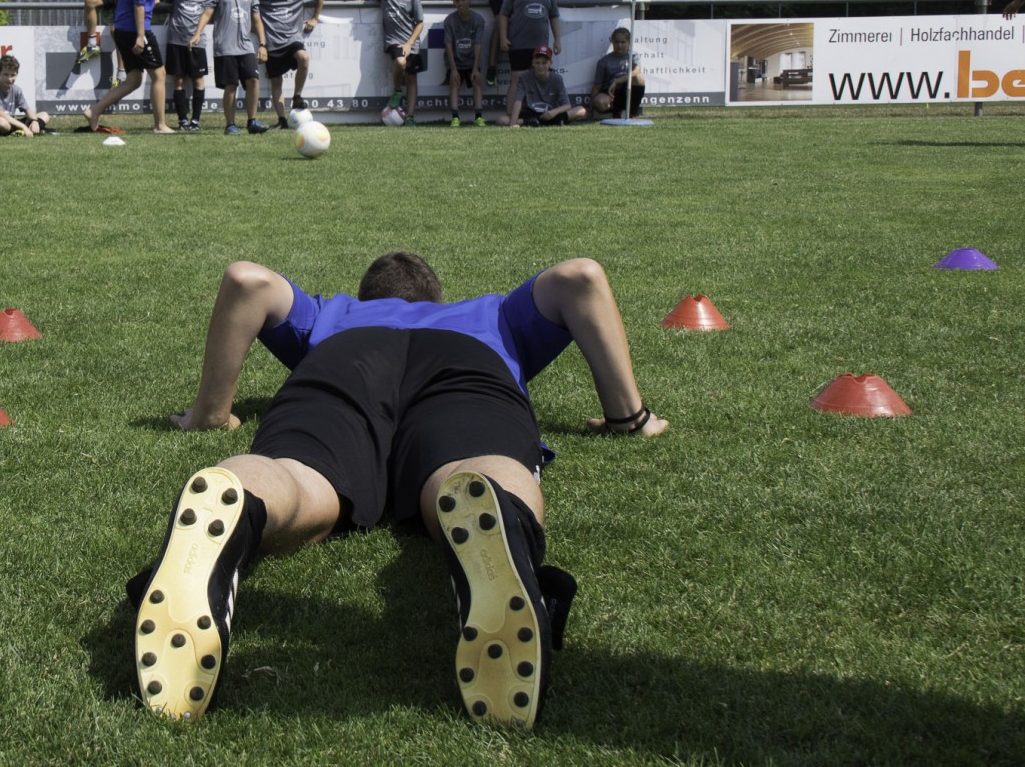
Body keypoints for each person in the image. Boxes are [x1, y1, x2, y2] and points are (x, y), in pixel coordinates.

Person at [137, 253, 664, 728]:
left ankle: (245, 505)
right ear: (435, 296)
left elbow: (246, 279)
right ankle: (501, 514)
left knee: (298, 474)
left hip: (345, 359)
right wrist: (629, 418)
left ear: (368, 295)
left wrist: (210, 414)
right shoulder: (491, 314)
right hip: (467, 360)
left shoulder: (334, 313)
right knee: (470, 470)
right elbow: (579, 276)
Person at [85, 0, 173, 134]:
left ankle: (94, 111)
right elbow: (138, 4)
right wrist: (141, 36)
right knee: (159, 74)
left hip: (123, 29)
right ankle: (160, 125)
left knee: (134, 79)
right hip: (134, 30)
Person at [191, 0, 270, 135]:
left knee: (253, 80)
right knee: (231, 85)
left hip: (246, 47)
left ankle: (252, 121)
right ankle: (230, 125)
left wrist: (262, 44)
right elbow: (207, 13)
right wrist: (197, 33)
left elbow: (257, 21)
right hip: (225, 48)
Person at [256, 0, 327, 128]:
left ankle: (297, 96)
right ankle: (282, 120)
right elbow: (249, 6)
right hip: (272, 43)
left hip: (292, 40)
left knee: (304, 57)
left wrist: (315, 18)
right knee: (276, 82)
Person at [497, 0, 562, 117]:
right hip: (518, 42)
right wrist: (503, 37)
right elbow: (503, 14)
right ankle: (511, 115)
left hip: (540, 44)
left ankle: (541, 113)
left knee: (541, 77)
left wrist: (557, 40)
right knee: (517, 78)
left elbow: (554, 15)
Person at [164, 0, 213, 131]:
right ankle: (183, 120)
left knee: (198, 80)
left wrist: (197, 34)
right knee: (178, 81)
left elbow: (210, 12)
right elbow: (166, 5)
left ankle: (195, 121)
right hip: (176, 40)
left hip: (197, 43)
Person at [376, 0, 426, 124]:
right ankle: (397, 91)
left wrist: (409, 44)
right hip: (393, 41)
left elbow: (420, 23)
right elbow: (375, 4)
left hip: (410, 43)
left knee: (411, 79)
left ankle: (410, 117)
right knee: (400, 61)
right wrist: (357, 0)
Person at [497, 45, 585, 127]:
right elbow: (518, 101)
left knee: (581, 110)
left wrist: (553, 112)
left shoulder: (557, 79)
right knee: (501, 120)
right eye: (537, 62)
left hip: (551, 113)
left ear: (550, 63)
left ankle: (531, 122)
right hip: (530, 113)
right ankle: (541, 121)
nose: (540, 66)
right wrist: (513, 124)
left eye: (544, 63)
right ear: (533, 63)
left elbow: (567, 105)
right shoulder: (524, 77)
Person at [442, 0, 487, 126]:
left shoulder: (478, 20)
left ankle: (478, 116)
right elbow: (448, 45)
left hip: (472, 60)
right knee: (454, 82)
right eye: (457, 0)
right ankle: (455, 117)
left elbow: (478, 44)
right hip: (455, 61)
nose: (460, 3)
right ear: (453, 2)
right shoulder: (449, 20)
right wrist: (453, 69)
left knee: (476, 81)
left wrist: (475, 68)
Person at [0, 54, 52, 136]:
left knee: (44, 115)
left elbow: (27, 110)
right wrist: (23, 126)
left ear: (17, 74)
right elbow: (0, 114)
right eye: (6, 75)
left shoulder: (17, 90)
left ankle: (21, 131)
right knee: (0, 122)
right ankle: (24, 130)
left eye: (12, 75)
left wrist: (35, 121)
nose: (9, 79)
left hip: (10, 123)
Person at [592, 26, 647, 119]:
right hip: (611, 94)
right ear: (612, 42)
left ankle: (632, 113)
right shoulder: (603, 61)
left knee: (639, 78)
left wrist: (617, 81)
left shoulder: (633, 56)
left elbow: (637, 71)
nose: (619, 45)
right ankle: (616, 110)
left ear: (629, 42)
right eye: (617, 42)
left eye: (623, 42)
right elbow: (597, 86)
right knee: (599, 101)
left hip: (627, 92)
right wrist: (590, 110)